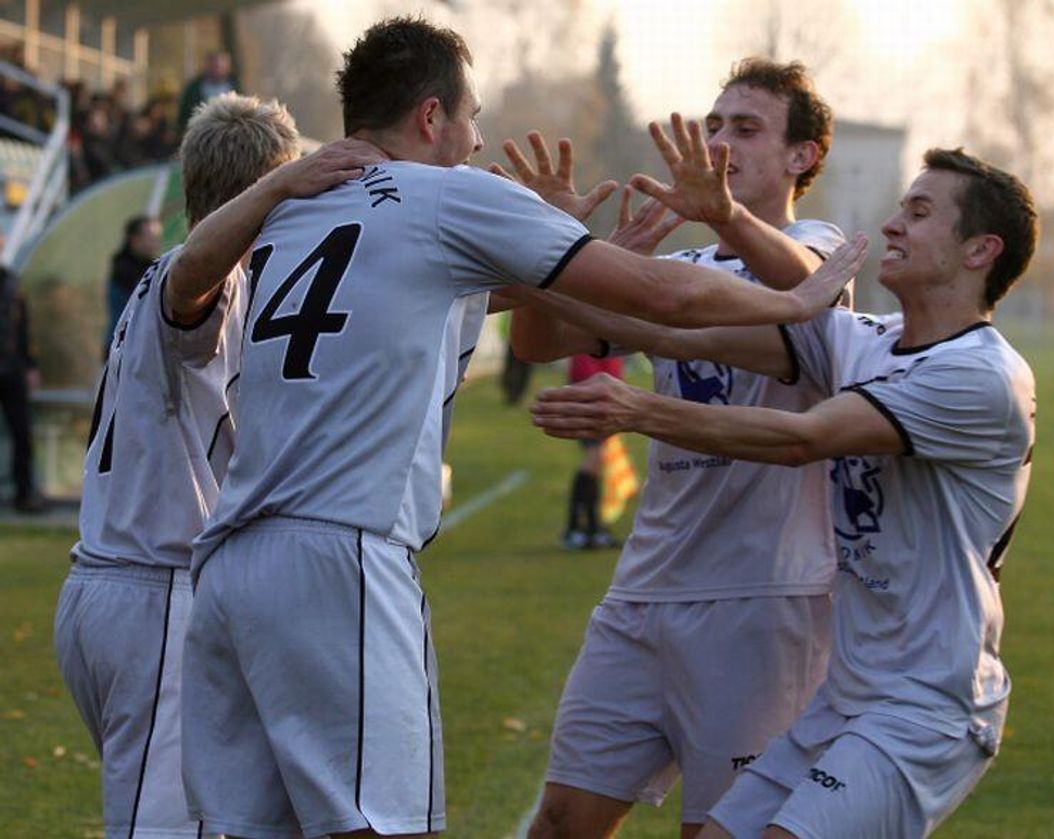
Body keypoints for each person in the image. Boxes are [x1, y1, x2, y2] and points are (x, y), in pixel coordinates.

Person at [170, 16, 856, 839]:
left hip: (231, 559)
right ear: (432, 118)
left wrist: (553, 256)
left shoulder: (293, 211)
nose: (479, 139)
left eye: (742, 128)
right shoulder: (452, 196)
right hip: (341, 553)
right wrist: (788, 301)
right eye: (471, 116)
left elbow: (737, 301)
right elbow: (651, 302)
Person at [531, 147, 1038, 839]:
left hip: (928, 705)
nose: (892, 225)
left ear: (981, 250)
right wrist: (531, 253)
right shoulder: (867, 340)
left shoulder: (981, 376)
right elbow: (668, 329)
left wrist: (640, 410)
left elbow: (802, 437)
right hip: (844, 699)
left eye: (918, 213)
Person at [503, 58, 844, 838]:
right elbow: (537, 337)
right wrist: (545, 240)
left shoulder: (821, 248)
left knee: (720, 830)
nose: (720, 143)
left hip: (760, 602)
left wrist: (723, 215)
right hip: (643, 591)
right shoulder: (679, 269)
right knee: (559, 820)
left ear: (804, 156)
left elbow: (804, 295)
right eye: (714, 125)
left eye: (747, 129)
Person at [53, 93, 375, 839]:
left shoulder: (235, 284)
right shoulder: (198, 276)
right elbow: (191, 280)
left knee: (254, 811)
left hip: (130, 589)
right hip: (155, 596)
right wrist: (281, 187)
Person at [562, 352, 625, 550]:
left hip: (603, 398)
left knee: (596, 463)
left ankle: (591, 527)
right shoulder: (593, 329)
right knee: (593, 461)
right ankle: (578, 528)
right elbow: (583, 366)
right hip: (593, 398)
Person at [0, 247, 43, 512]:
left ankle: (24, 492)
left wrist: (30, 365)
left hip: (12, 368)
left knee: (22, 433)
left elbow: (23, 326)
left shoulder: (11, 282)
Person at [105, 215, 162, 353]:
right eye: (151, 238)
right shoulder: (124, 269)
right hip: (122, 348)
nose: (155, 243)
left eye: (157, 238)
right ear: (135, 240)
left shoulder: (149, 267)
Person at [178, 51, 238, 132]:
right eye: (215, 66)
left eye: (221, 66)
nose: (217, 69)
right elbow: (185, 114)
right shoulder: (194, 88)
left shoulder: (235, 86)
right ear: (207, 65)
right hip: (199, 132)